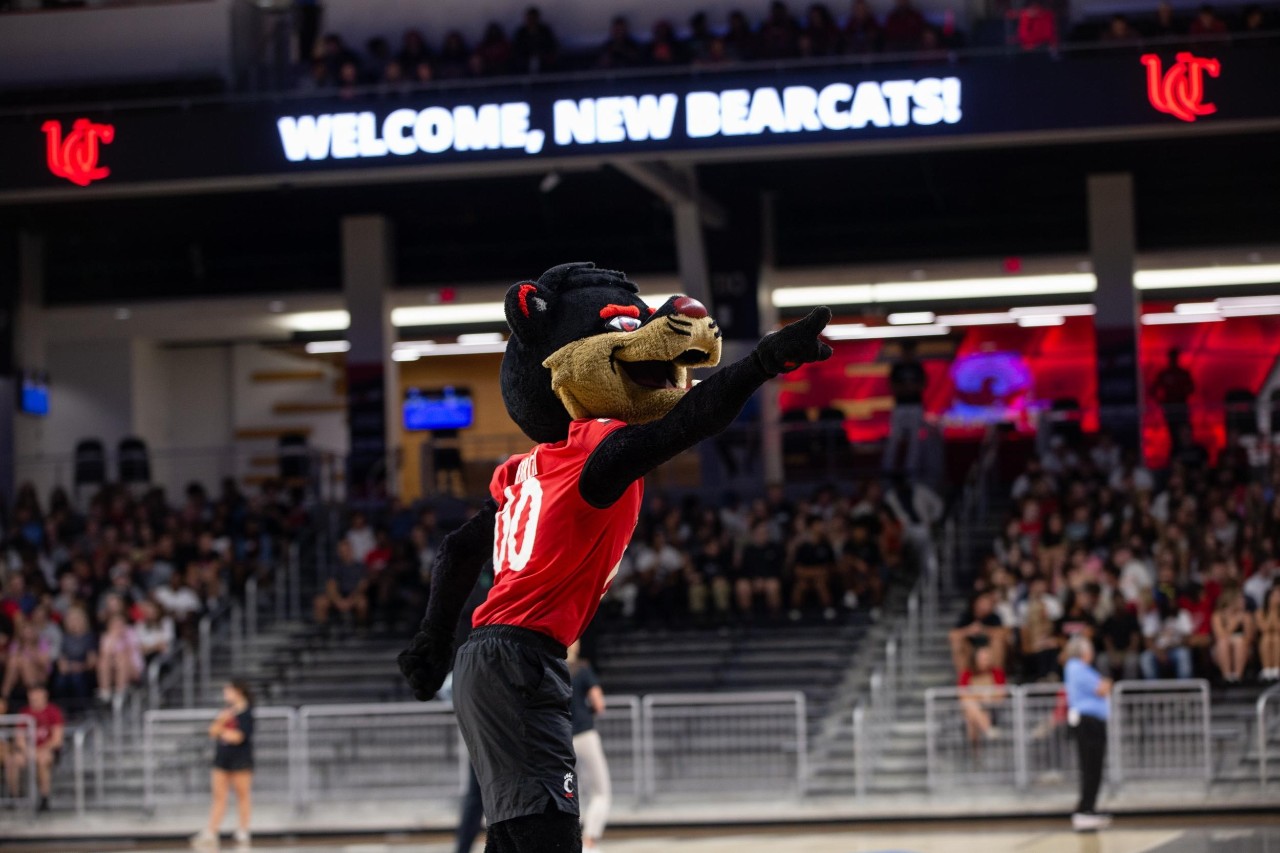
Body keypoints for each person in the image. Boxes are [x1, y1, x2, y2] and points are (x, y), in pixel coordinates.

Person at [193, 681, 254, 850]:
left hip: (240, 759)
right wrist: (222, 724)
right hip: (222, 759)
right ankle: (212, 830)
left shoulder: (246, 712)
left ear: (238, 691)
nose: (225, 693)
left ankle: (243, 829)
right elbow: (212, 731)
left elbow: (239, 736)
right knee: (219, 796)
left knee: (242, 795)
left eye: (228, 690)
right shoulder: (226, 712)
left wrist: (223, 731)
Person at [1064, 636, 1112, 832]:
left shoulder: (1081, 668)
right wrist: (1106, 683)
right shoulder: (1076, 667)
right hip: (1087, 722)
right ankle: (1085, 810)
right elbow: (1101, 688)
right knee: (1090, 766)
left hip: (1093, 721)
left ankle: (1088, 808)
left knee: (1094, 766)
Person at [568, 643, 611, 851]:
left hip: (563, 738)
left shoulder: (552, 669)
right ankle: (589, 840)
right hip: (585, 734)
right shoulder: (582, 669)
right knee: (600, 792)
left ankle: (571, 839)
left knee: (570, 793)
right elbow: (598, 703)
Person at [3, 686, 64, 812]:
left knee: (42, 759)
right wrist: (28, 751)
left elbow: (57, 739)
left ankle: (44, 798)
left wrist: (40, 750)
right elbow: (19, 738)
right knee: (12, 760)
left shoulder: (53, 711)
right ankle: (14, 796)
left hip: (46, 749)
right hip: (28, 750)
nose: (34, 697)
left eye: (37, 694)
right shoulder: (24, 712)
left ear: (44, 695)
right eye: (32, 694)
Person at [883, 339, 927, 475]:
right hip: (900, 406)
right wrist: (907, 389)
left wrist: (910, 388)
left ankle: (910, 468)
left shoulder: (917, 367)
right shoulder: (897, 368)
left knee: (914, 438)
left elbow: (922, 384)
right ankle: (888, 468)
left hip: (915, 405)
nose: (908, 354)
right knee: (895, 436)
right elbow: (893, 386)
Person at [313, 539, 370, 630]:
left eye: (346, 550)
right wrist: (338, 601)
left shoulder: (360, 566)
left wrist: (350, 601)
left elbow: (362, 586)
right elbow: (331, 585)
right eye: (341, 551)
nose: (344, 553)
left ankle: (361, 629)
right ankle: (322, 632)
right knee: (320, 601)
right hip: (338, 597)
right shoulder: (335, 566)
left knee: (362, 603)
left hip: (354, 596)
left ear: (351, 550)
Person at [958, 646, 1007, 745]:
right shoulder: (967, 673)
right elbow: (963, 695)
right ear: (976, 659)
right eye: (983, 658)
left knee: (971, 715)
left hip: (992, 709)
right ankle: (988, 729)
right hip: (974, 708)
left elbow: (1001, 695)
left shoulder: (997, 673)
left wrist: (977, 696)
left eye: (987, 658)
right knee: (970, 708)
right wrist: (986, 695)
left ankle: (974, 752)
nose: (985, 661)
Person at [1151, 348, 1194, 453]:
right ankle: (1175, 454)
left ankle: (1185, 452)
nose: (1174, 359)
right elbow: (1153, 390)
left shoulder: (1183, 373)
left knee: (1184, 430)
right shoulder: (1165, 374)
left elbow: (1192, 388)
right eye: (1172, 357)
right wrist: (1161, 402)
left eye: (1175, 357)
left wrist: (1181, 392)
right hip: (1170, 407)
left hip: (1181, 406)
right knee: (1173, 432)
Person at [96, 613, 143, 706]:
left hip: (132, 667)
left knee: (121, 658)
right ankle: (105, 693)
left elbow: (131, 652)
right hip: (113, 669)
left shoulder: (131, 633)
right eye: (114, 623)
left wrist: (122, 638)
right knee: (103, 661)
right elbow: (105, 654)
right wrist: (114, 638)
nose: (118, 625)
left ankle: (121, 693)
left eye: (120, 623)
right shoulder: (107, 636)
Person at [1211, 590, 1254, 683]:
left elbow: (1249, 638)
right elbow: (1220, 635)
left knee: (1239, 642)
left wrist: (1235, 640)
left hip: (1244, 648)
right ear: (1232, 601)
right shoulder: (1217, 615)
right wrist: (1234, 623)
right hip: (1220, 649)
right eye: (1240, 599)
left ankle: (1238, 677)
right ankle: (1227, 677)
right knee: (1223, 643)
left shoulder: (1246, 615)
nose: (1244, 601)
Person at [1258, 585, 1280, 681]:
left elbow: (1277, 628)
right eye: (1274, 596)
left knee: (1276, 638)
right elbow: (1265, 628)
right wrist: (1272, 610)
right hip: (1265, 638)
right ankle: (1267, 670)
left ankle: (1276, 669)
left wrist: (1275, 610)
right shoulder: (1260, 612)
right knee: (1267, 637)